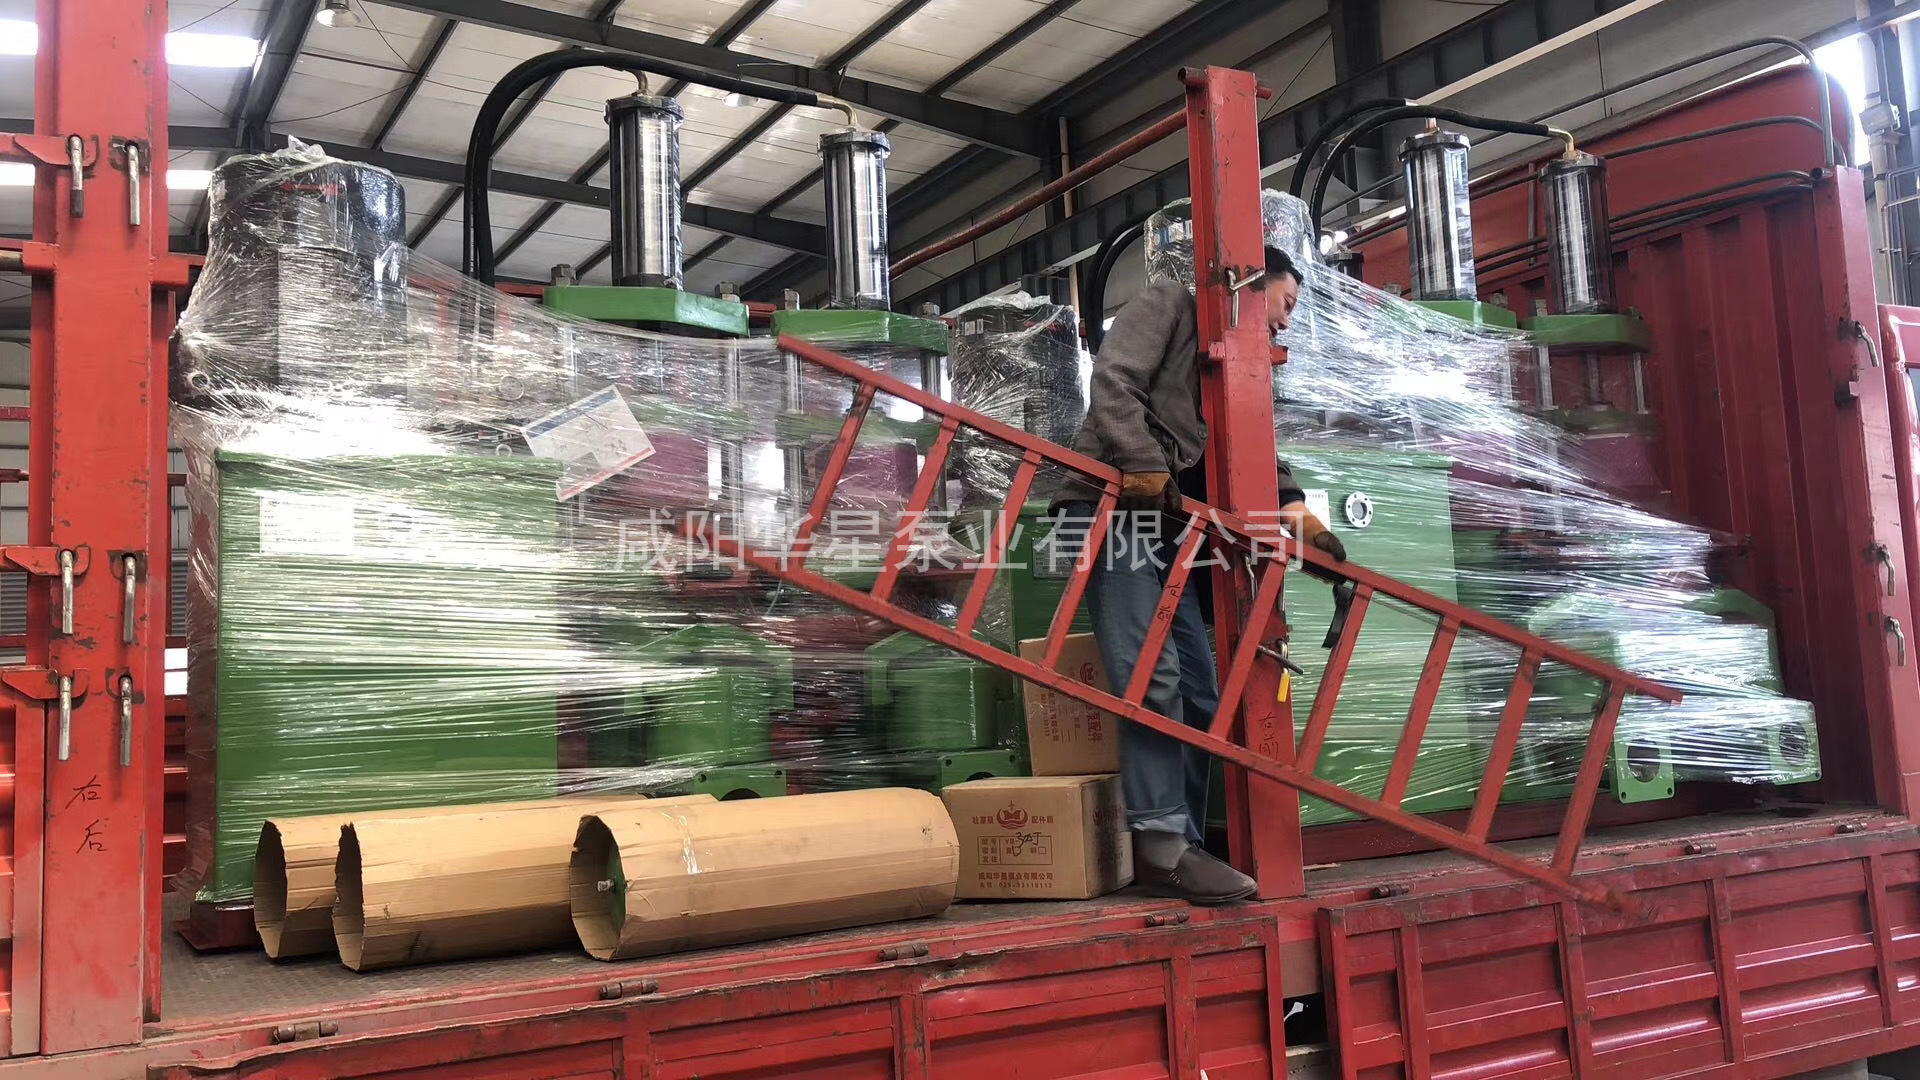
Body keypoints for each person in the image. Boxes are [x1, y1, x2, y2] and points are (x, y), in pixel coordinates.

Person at [1051, 246, 1346, 905]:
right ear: (1252, 285)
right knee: (1151, 678)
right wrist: (1141, 460)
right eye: (1286, 303)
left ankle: (1179, 842)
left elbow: (1254, 442)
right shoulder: (1169, 303)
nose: (1287, 321)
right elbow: (1114, 381)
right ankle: (1162, 844)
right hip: (1110, 509)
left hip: (1169, 527)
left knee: (1199, 688)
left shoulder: (1242, 364)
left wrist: (1298, 514)